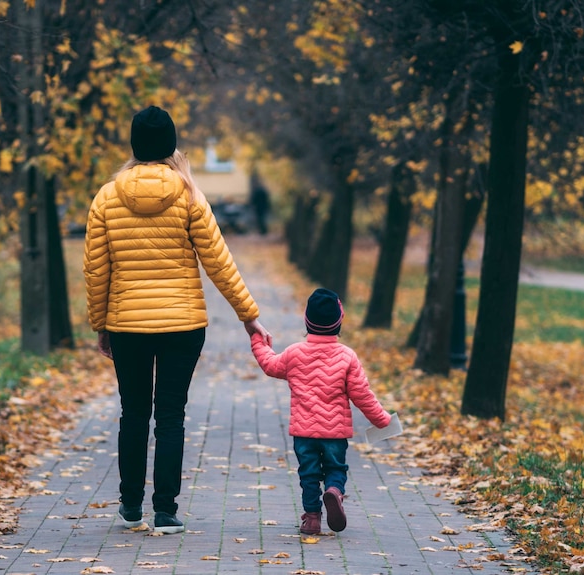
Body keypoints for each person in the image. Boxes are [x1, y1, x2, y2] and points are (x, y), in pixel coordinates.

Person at [83, 105, 271, 535]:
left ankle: (130, 508)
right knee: (170, 416)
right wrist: (249, 316)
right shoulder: (189, 195)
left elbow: (97, 269)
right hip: (183, 327)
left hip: (127, 325)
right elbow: (219, 262)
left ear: (134, 145)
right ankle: (165, 512)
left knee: (133, 414)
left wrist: (101, 324)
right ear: (171, 145)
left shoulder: (107, 197)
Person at [250, 288, 391, 535]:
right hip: (335, 433)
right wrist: (382, 420)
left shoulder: (294, 353)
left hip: (304, 433)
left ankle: (312, 519)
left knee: (309, 475)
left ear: (307, 321)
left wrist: (256, 338)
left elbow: (270, 365)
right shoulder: (347, 357)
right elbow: (363, 395)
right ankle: (335, 491)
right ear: (339, 322)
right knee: (336, 469)